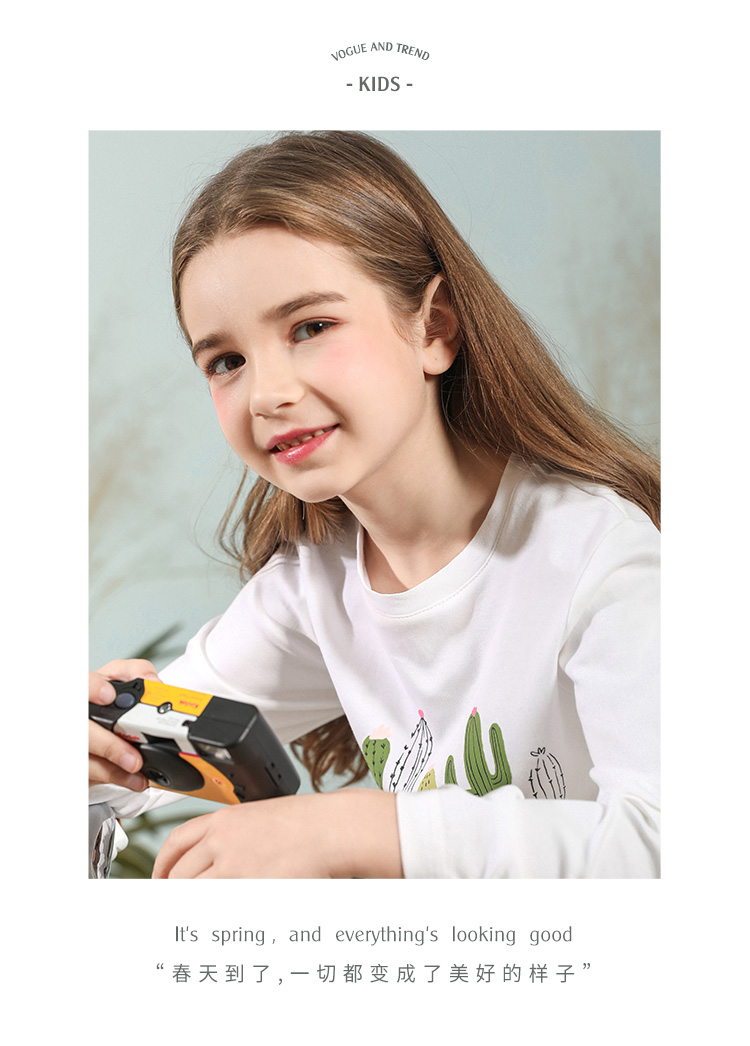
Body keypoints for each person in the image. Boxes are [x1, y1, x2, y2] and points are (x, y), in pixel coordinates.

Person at [88, 130, 660, 879]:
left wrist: (361, 829)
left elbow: (666, 847)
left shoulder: (601, 557)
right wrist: (91, 755)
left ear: (434, 327)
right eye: (226, 361)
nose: (267, 394)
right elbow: (124, 773)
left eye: (311, 327)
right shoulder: (315, 587)